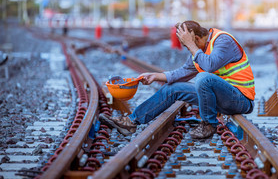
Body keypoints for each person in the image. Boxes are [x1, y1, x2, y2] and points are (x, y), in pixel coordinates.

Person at [100, 21, 255, 139]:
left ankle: (209, 124)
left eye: (187, 44)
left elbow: (209, 66)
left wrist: (191, 45)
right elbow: (182, 72)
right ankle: (131, 122)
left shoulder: (222, 41)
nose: (188, 49)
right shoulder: (198, 51)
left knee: (203, 77)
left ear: (195, 38)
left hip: (240, 99)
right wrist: (154, 76)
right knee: (172, 88)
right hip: (221, 98)